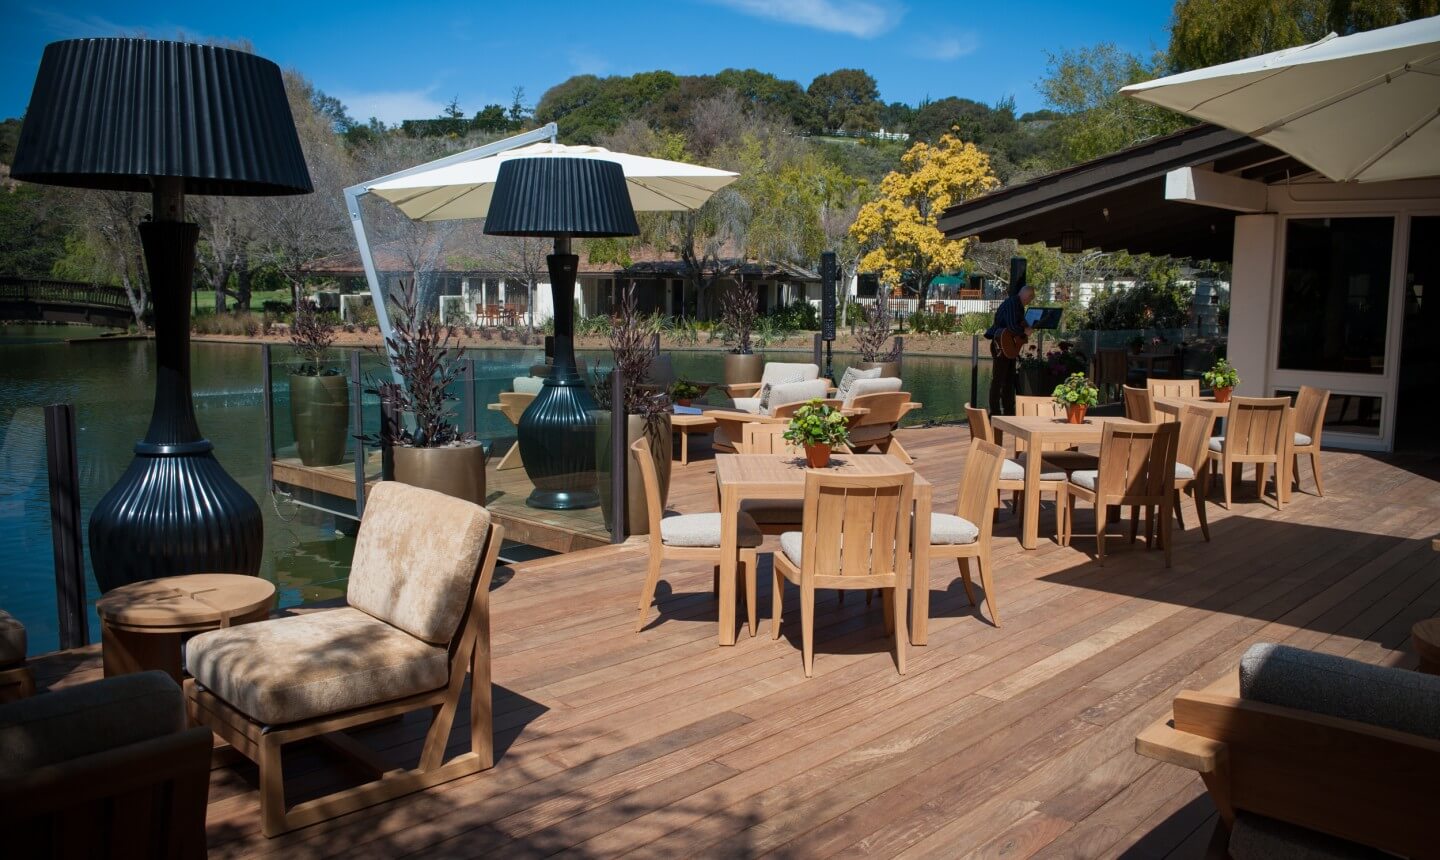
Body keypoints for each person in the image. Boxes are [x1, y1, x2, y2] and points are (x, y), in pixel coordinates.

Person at [986, 284, 1034, 417]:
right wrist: (1025, 331)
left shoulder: (1017, 305)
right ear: (1027, 296)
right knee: (998, 379)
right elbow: (1012, 326)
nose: (1029, 302)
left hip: (1008, 345)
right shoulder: (1013, 304)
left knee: (1008, 379)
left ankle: (1008, 411)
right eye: (1030, 300)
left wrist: (1024, 329)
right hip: (1001, 344)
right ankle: (995, 412)